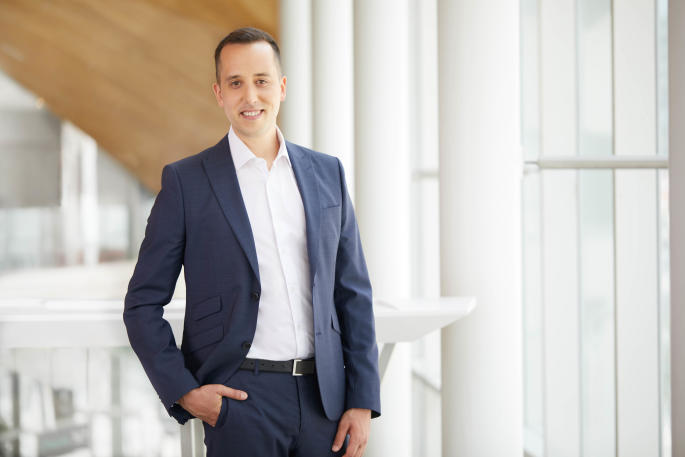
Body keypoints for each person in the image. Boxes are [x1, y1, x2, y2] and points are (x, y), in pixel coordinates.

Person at [122, 27, 381, 457]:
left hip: (326, 403)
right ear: (218, 93)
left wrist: (362, 398)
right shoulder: (187, 182)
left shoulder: (327, 173)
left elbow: (352, 293)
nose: (250, 96)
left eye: (261, 81)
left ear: (281, 88)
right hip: (240, 402)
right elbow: (141, 304)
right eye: (235, 83)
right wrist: (186, 392)